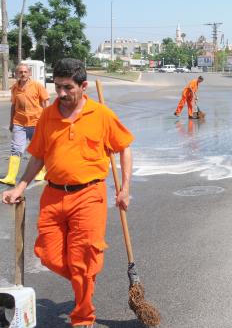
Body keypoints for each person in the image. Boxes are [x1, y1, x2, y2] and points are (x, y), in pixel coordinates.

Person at [2, 58, 134, 327]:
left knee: (83, 258)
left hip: (89, 195)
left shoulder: (101, 114)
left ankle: (83, 317)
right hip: (53, 195)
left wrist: (125, 188)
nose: (61, 94)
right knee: (47, 253)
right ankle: (83, 277)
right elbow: (37, 156)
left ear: (83, 86)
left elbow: (124, 147)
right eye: (57, 87)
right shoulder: (48, 115)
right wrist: (20, 185)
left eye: (67, 88)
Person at [1, 63, 50, 185]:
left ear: (29, 73)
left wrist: (47, 121)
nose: (23, 74)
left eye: (25, 72)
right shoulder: (14, 88)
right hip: (19, 123)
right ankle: (11, 177)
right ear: (16, 74)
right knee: (16, 149)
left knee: (39, 149)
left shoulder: (37, 86)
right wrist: (12, 122)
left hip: (36, 123)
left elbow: (45, 102)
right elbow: (13, 105)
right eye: (20, 72)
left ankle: (41, 172)